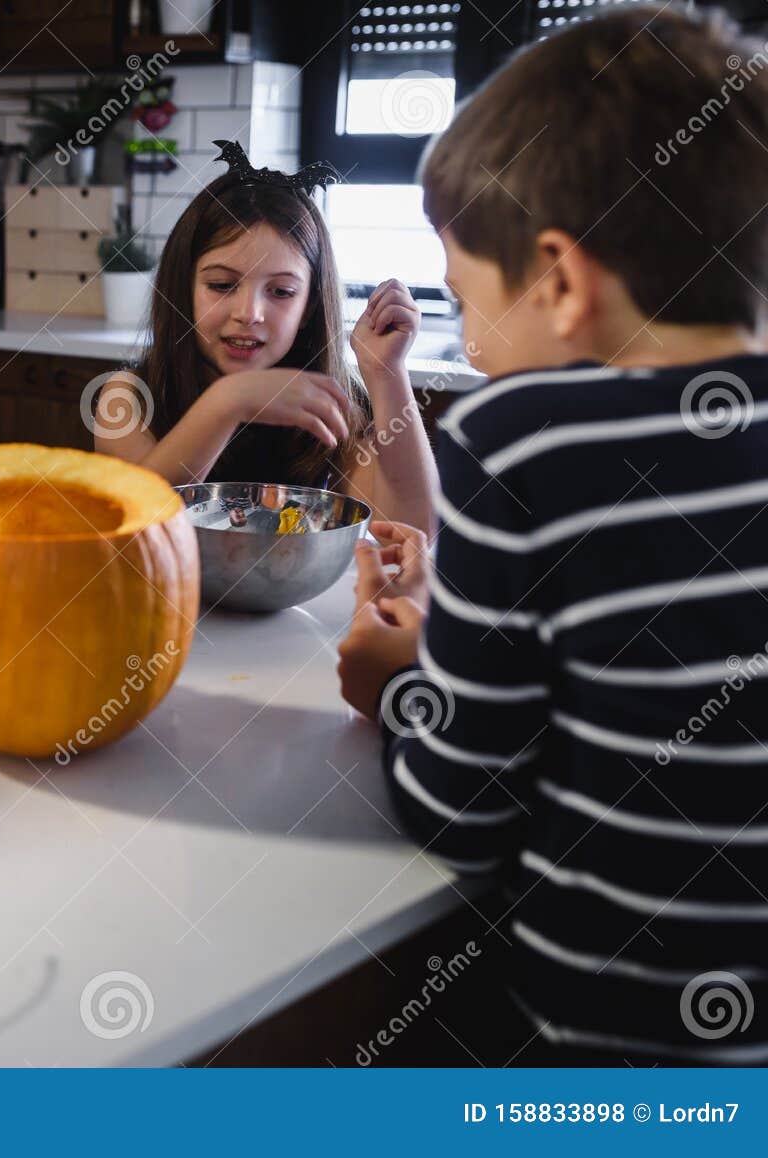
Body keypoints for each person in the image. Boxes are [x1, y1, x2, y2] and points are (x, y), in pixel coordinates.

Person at [337, 7, 768, 1064]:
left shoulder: (525, 436)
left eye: (461, 297)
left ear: (562, 280)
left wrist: (405, 680)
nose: (465, 339)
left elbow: (461, 808)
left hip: (609, 1050)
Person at [93, 141, 436, 534]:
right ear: (182, 288)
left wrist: (386, 373)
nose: (249, 313)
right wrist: (229, 402)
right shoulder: (129, 397)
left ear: (309, 306)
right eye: (222, 285)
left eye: (281, 292)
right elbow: (142, 524)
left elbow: (410, 531)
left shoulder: (332, 405)